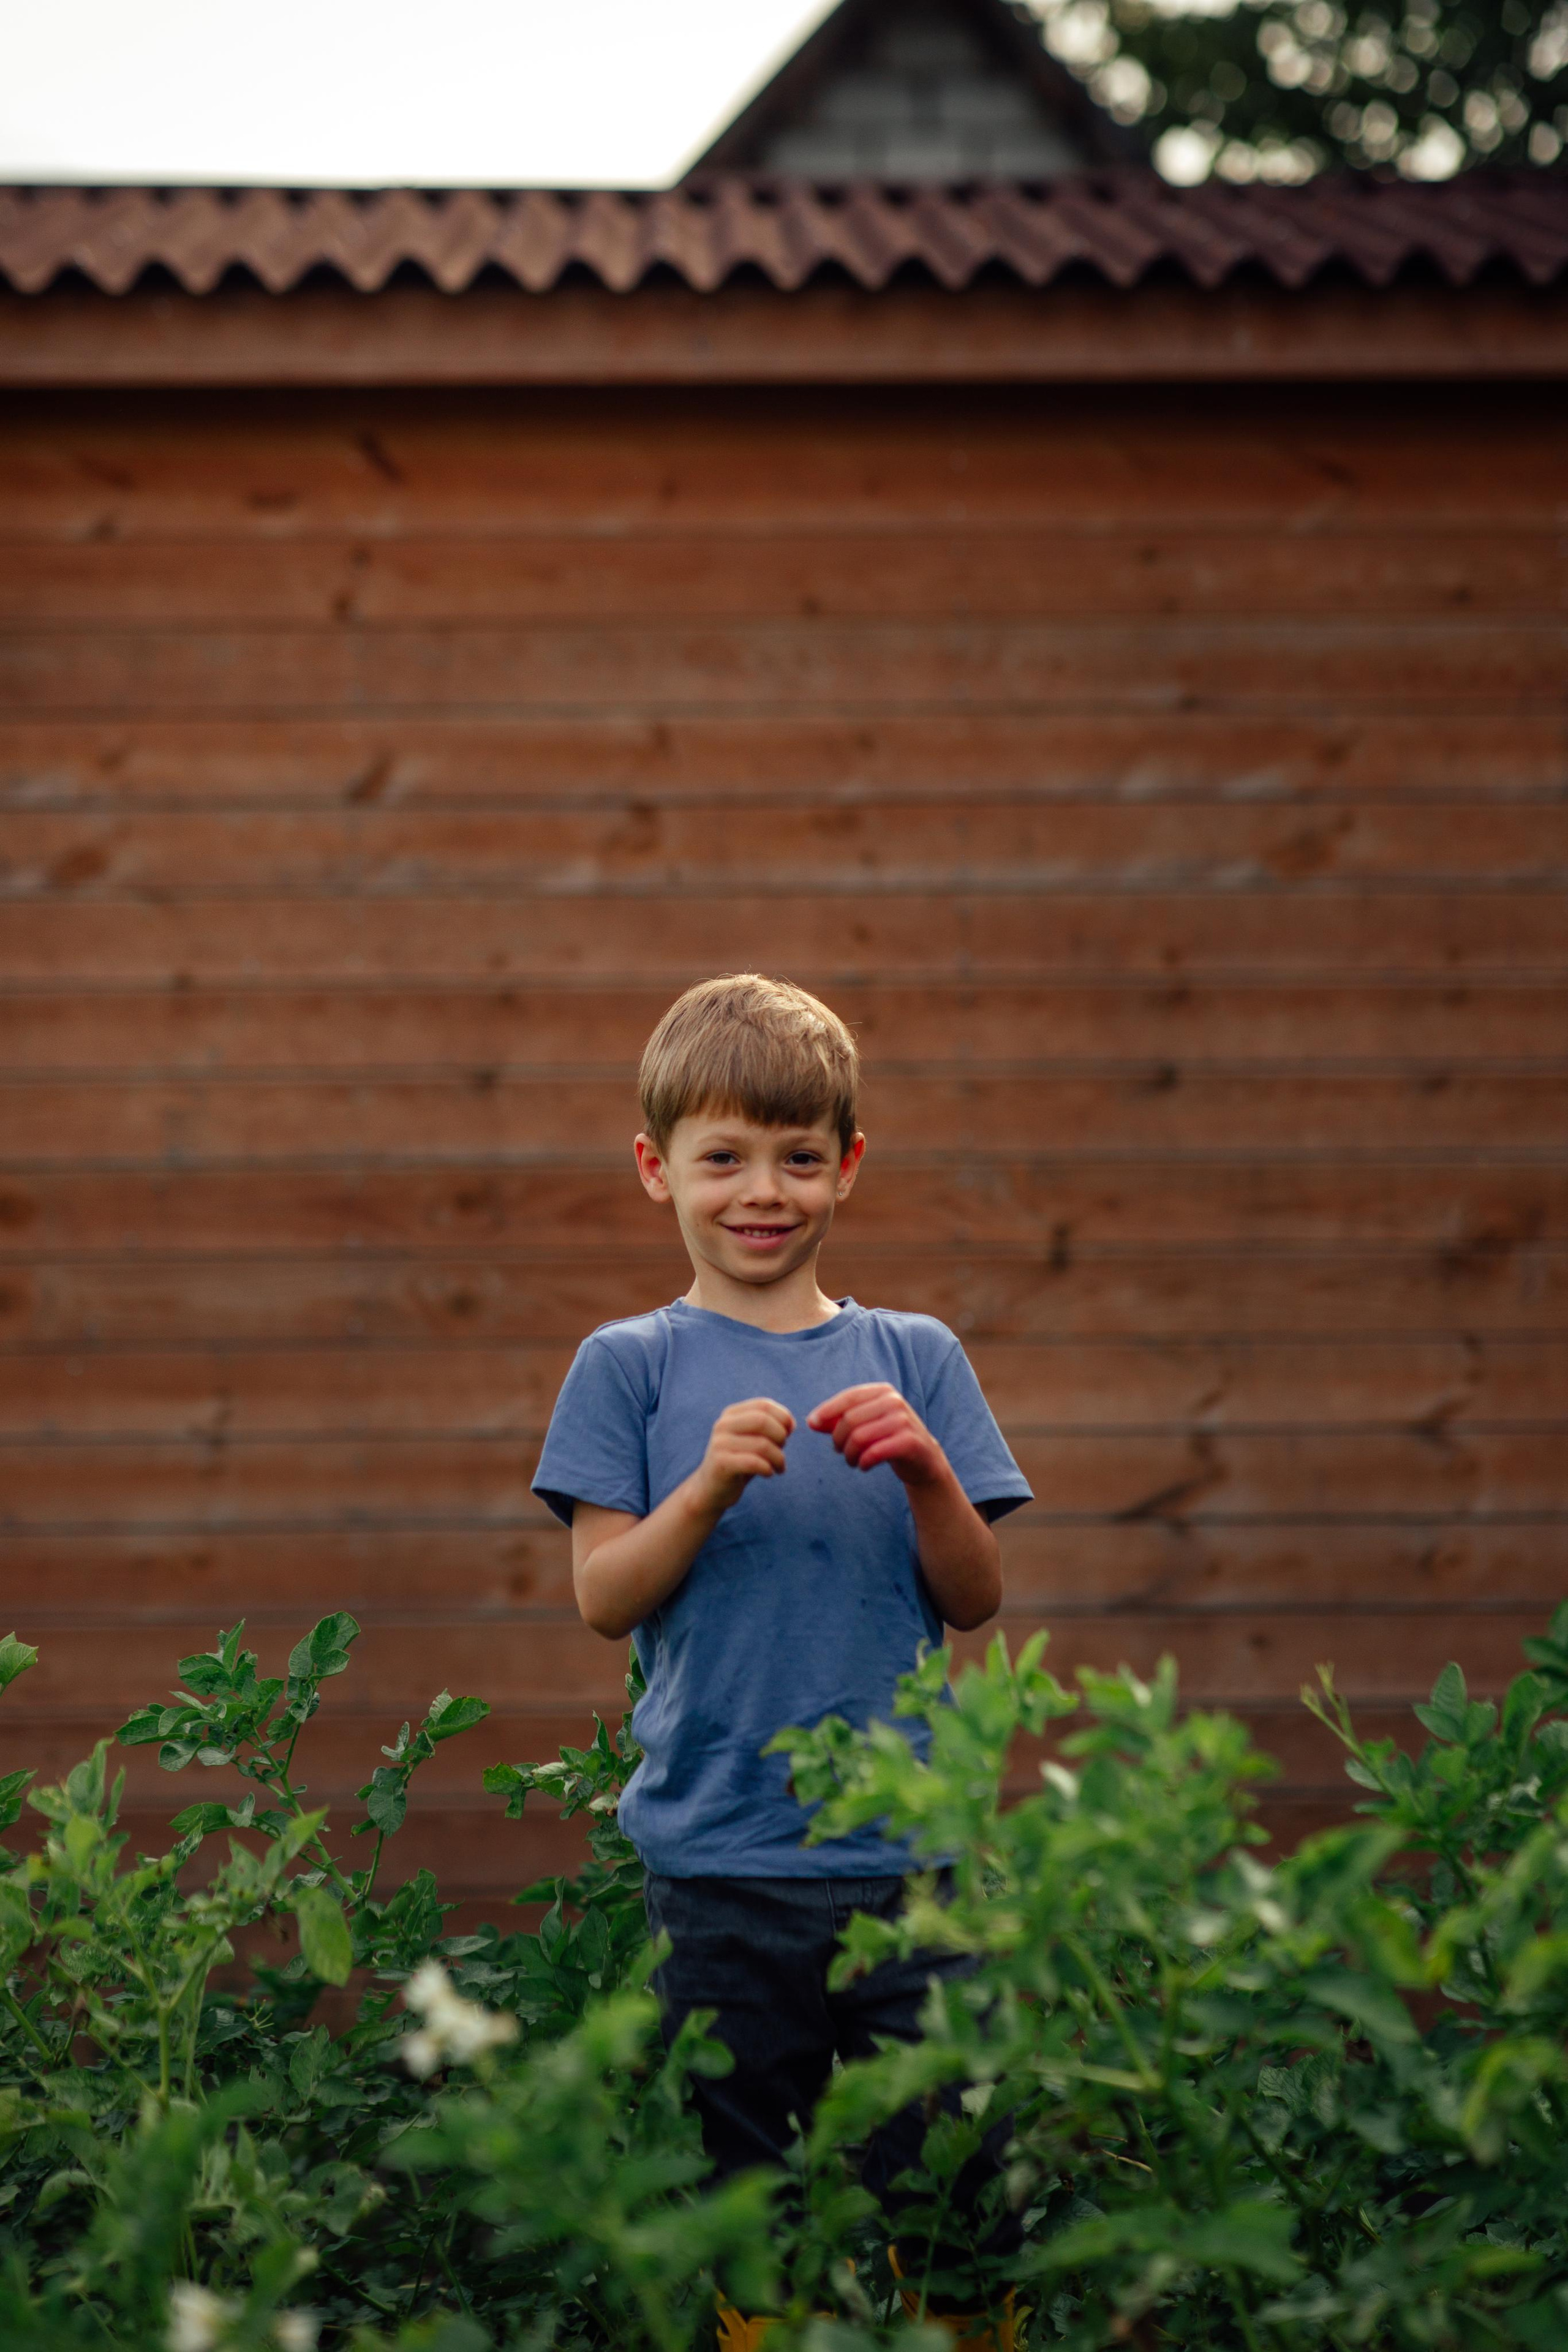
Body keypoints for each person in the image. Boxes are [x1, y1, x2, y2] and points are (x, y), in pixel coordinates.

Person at [532, 973, 1032, 2346]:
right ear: (656, 1173)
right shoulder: (626, 1368)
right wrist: (699, 1491)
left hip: (907, 1863)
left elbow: (973, 1599)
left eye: (798, 1158)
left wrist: (930, 1471)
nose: (763, 1191)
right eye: (723, 1159)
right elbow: (602, 1598)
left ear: (846, 1168)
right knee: (741, 2197)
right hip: (718, 1860)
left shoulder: (912, 1357)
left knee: (945, 2181)